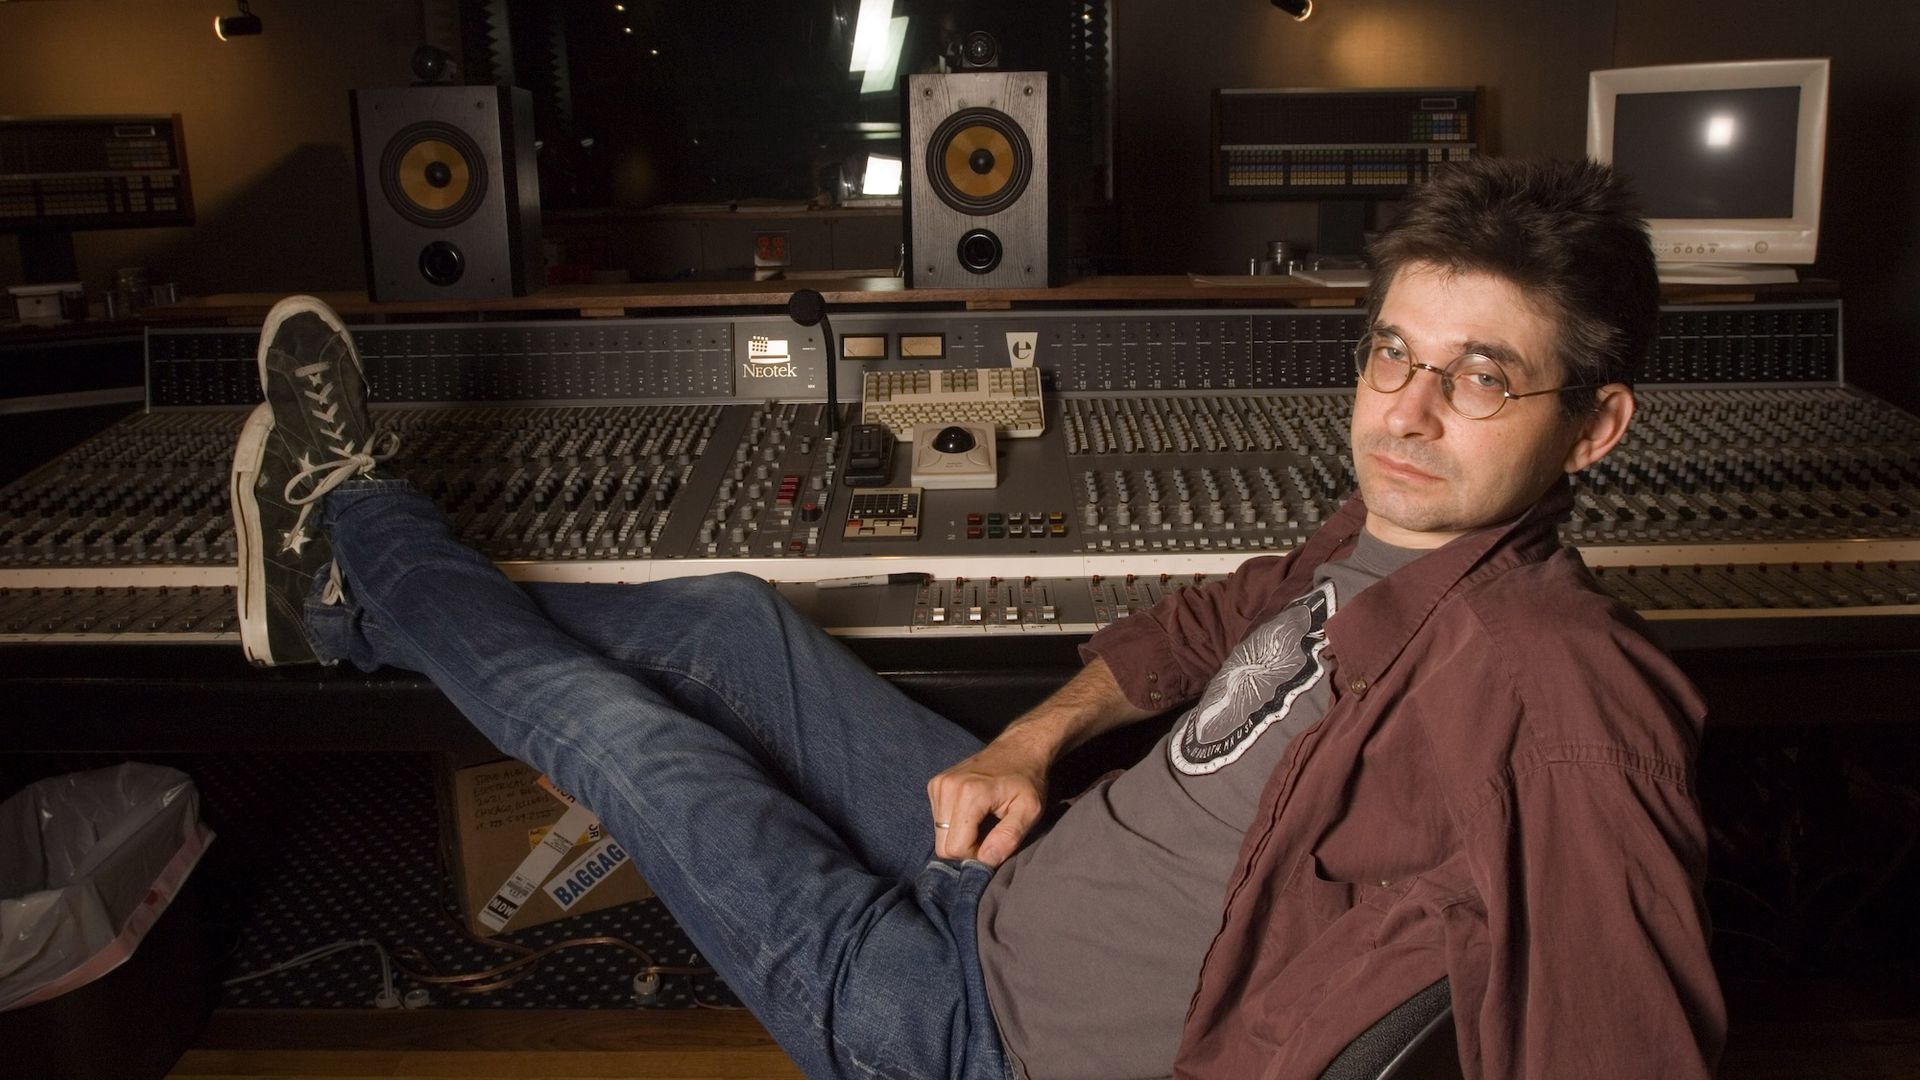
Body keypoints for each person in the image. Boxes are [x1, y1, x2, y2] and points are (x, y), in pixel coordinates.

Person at [229, 155, 1724, 1080]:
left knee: (634, 747)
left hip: (970, 1039)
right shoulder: (1387, 540)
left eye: (1480, 376)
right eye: (1394, 351)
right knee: (739, 624)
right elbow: (1212, 626)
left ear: (1594, 429)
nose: (1404, 409)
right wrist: (1028, 737)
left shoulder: (1557, 694)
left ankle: (356, 535)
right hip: (1009, 878)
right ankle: (360, 608)